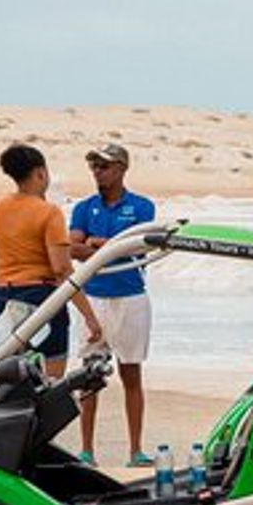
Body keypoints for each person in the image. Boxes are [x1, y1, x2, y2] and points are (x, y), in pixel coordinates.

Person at [69, 142, 157, 467]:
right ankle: (86, 450)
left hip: (130, 296)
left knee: (131, 373)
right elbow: (71, 248)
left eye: (104, 166)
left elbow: (136, 246)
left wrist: (98, 244)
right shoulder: (83, 208)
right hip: (93, 298)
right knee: (88, 376)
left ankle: (135, 450)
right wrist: (105, 247)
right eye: (94, 166)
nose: (98, 172)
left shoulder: (142, 206)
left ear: (121, 168)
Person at [0, 144, 102, 382]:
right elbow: (61, 271)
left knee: (9, 382)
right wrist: (89, 316)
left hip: (1, 300)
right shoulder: (49, 213)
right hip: (39, 299)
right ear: (41, 172)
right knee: (50, 386)